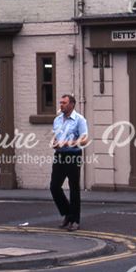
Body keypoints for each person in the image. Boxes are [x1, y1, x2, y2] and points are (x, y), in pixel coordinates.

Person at [50, 94, 88, 231]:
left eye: (64, 103)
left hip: (73, 154)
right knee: (54, 187)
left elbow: (84, 140)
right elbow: (55, 137)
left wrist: (67, 143)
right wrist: (55, 143)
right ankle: (67, 213)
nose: (61, 105)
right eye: (60, 102)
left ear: (72, 104)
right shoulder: (57, 120)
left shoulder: (79, 120)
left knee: (74, 188)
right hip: (60, 155)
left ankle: (75, 220)